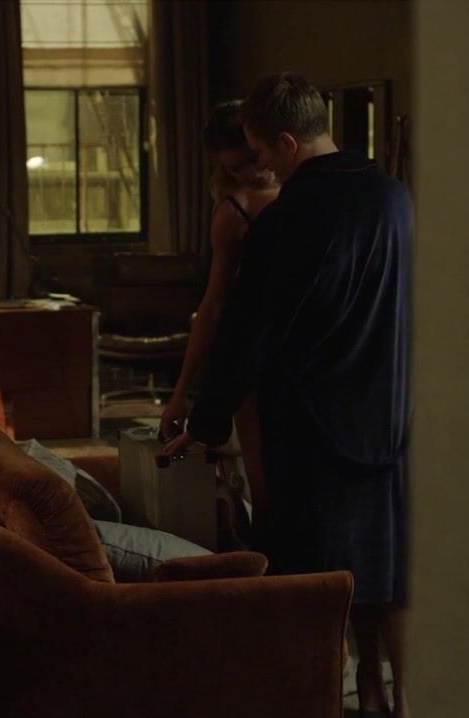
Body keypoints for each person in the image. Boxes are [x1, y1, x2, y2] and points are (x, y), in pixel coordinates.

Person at [164, 73, 413, 718]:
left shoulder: (290, 218)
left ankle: (321, 700)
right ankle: (388, 697)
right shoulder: (394, 198)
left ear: (287, 141)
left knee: (313, 584)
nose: (262, 165)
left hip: (312, 429)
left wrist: (206, 418)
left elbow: (247, 334)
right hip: (388, 417)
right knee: (386, 573)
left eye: (262, 151)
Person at [159, 100, 280, 534]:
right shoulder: (234, 211)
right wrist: (181, 393)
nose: (249, 173)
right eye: (235, 169)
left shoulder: (303, 190)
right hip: (254, 360)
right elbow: (213, 304)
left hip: (309, 358)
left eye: (251, 160)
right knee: (265, 489)